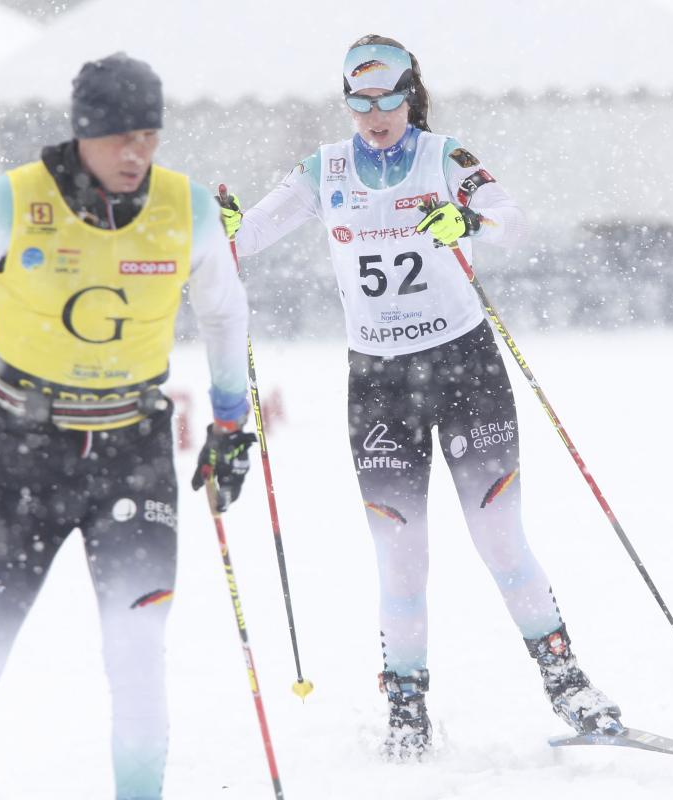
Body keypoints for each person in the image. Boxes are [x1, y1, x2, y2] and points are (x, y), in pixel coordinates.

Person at [0, 53, 258, 800]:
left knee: (137, 656)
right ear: (82, 135)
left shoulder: (188, 208)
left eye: (148, 135)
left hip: (132, 455)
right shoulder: (9, 202)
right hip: (23, 457)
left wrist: (233, 424)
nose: (136, 153)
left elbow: (227, 313)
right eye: (118, 138)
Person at [220, 35, 623, 758]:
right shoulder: (327, 169)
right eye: (359, 100)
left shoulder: (445, 159)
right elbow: (243, 240)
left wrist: (467, 220)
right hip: (379, 382)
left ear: (411, 94)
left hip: (464, 367)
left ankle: (567, 681)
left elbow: (514, 222)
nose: (374, 114)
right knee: (401, 555)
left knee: (499, 535)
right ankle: (406, 704)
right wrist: (222, 227)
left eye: (387, 98)